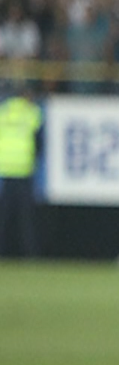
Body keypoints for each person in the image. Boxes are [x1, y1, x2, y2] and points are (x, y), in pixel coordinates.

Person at [0, 81, 42, 257]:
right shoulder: (32, 112)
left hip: (5, 169)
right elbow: (39, 139)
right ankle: (30, 254)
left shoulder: (3, 111)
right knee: (26, 218)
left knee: (4, 216)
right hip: (24, 169)